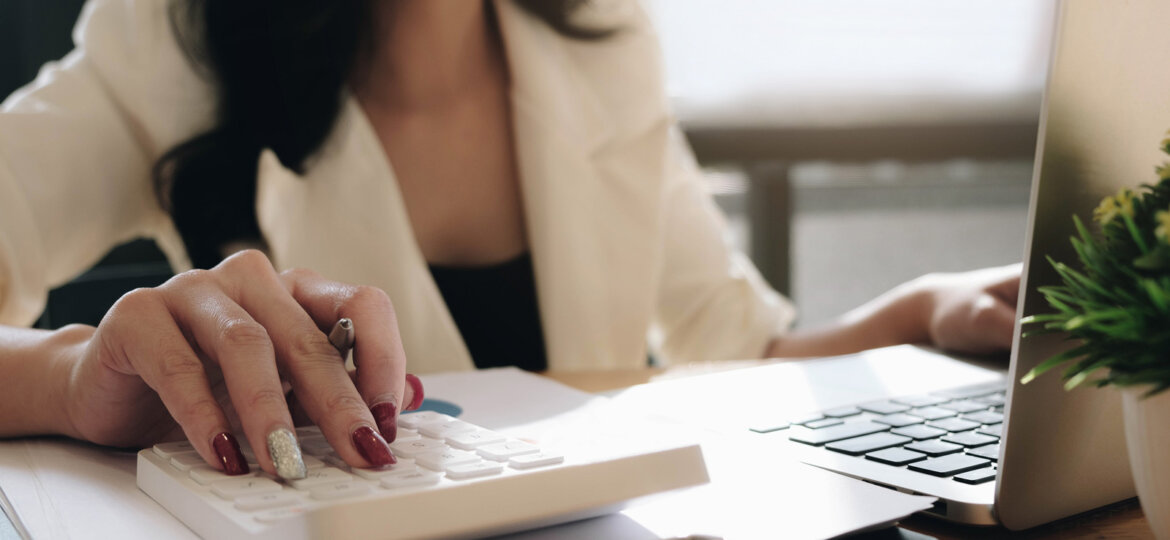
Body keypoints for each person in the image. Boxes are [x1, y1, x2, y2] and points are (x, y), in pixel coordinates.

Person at [0, 0, 1020, 481]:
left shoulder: (600, 40)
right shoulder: (172, 38)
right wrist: (69, 373)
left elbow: (731, 350)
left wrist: (918, 313)